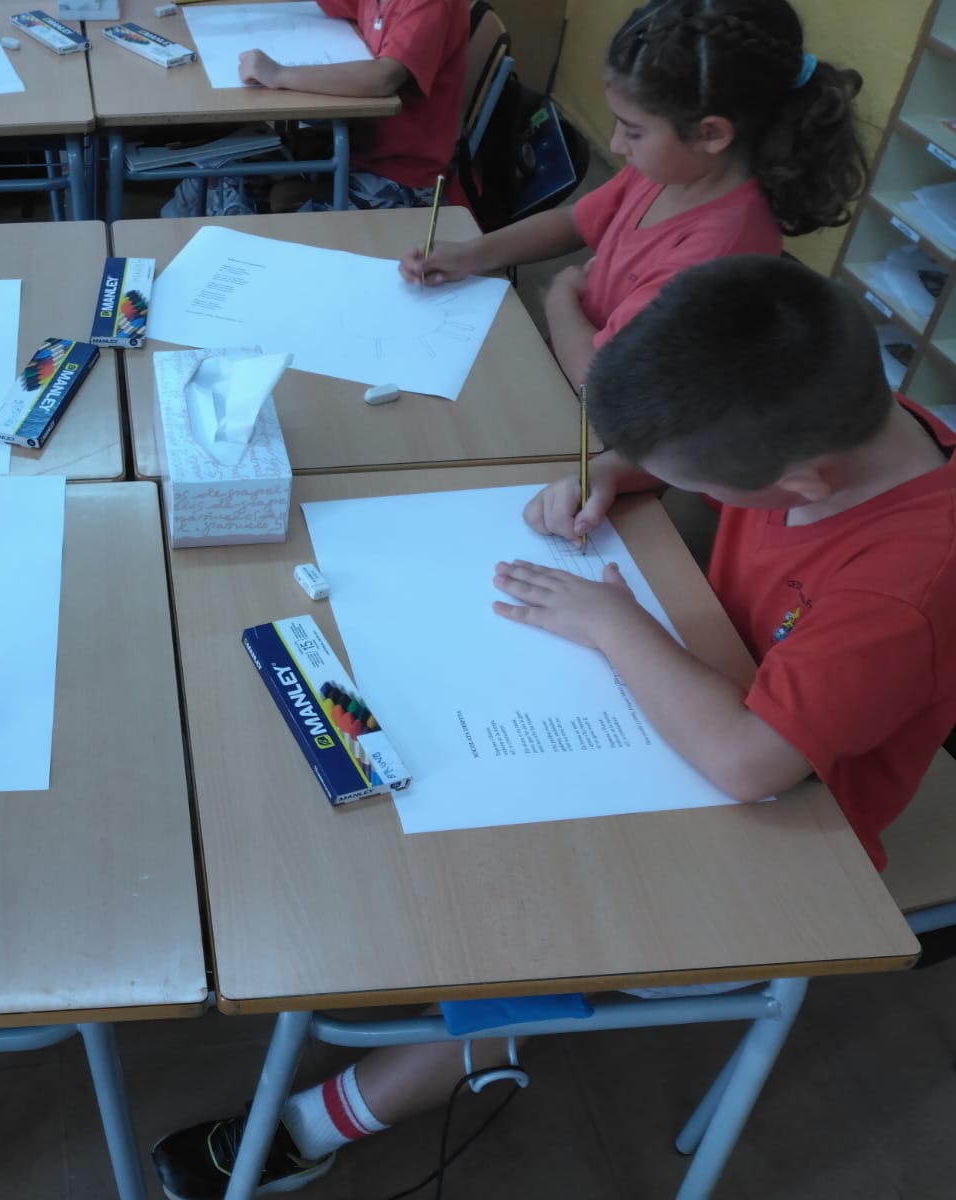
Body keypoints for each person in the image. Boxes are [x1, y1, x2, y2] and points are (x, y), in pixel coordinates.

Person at [152, 256, 956, 1199]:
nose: (673, 483)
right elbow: (722, 475)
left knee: (520, 927)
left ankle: (324, 1119)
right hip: (714, 683)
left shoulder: (901, 591)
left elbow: (750, 764)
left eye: (684, 473)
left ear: (799, 485)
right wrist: (615, 471)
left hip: (795, 829)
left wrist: (616, 628)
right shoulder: (847, 417)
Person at [400, 0, 867, 388]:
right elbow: (574, 221)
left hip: (608, 423)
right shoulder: (672, 171)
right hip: (570, 368)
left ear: (710, 134)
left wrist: (560, 297)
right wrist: (472, 254)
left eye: (634, 130)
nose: (616, 144)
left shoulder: (715, 254)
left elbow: (599, 380)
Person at [163, 0, 467, 217]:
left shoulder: (430, 4)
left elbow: (386, 77)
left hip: (400, 173)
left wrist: (280, 74)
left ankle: (218, 272)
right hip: (350, 142)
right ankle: (158, 264)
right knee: (216, 166)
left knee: (239, 198)